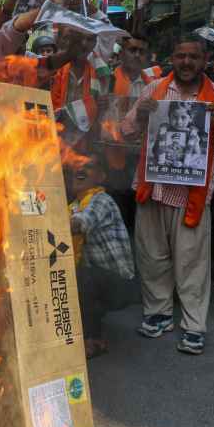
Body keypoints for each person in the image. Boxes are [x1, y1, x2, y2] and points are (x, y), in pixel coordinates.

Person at [121, 34, 214, 355]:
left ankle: (193, 327)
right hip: (153, 189)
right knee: (151, 258)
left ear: (204, 61)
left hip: (191, 194)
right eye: (180, 56)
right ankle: (159, 314)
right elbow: (125, 130)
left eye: (193, 57)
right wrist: (140, 115)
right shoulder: (153, 91)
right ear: (171, 60)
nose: (186, 62)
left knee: (192, 264)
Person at [68, 153, 136, 359]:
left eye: (88, 166)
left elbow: (78, 224)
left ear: (101, 177)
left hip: (120, 284)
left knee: (81, 276)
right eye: (77, 165)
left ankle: (94, 339)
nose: (80, 169)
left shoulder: (101, 200)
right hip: (96, 279)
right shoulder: (72, 207)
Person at [103, 33, 160, 231]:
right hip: (112, 158)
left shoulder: (155, 85)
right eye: (132, 50)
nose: (137, 55)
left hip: (142, 160)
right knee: (116, 213)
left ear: (147, 56)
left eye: (141, 51)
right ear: (122, 53)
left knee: (139, 215)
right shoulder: (107, 79)